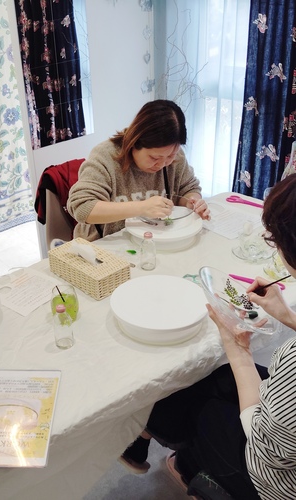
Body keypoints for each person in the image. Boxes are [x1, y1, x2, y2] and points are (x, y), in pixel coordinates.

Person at [119, 174, 296, 499]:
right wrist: (288, 317)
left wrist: (239, 352)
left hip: (273, 479)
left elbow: (265, 441)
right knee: (211, 377)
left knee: (185, 397)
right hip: (282, 432)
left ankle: (190, 467)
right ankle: (151, 443)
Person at [67, 100, 210, 241]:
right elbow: (82, 208)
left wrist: (192, 202)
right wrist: (142, 208)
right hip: (104, 243)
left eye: (170, 156)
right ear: (134, 142)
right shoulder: (106, 156)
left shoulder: (175, 156)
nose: (162, 164)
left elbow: (189, 187)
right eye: (154, 158)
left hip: (155, 239)